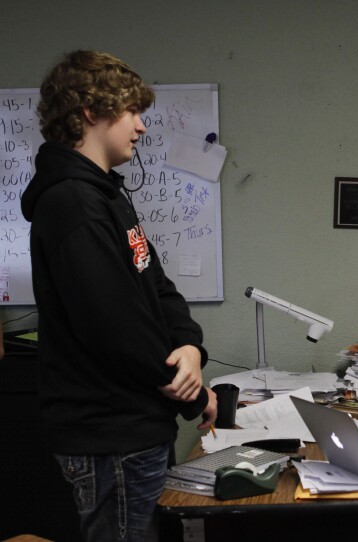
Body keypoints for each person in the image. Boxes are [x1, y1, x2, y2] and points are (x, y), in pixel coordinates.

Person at [21, 50, 217, 542]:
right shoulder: (71, 203)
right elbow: (116, 328)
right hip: (109, 437)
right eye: (131, 112)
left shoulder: (106, 195)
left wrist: (191, 348)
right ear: (90, 112)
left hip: (136, 430)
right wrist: (193, 395)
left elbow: (157, 286)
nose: (141, 127)